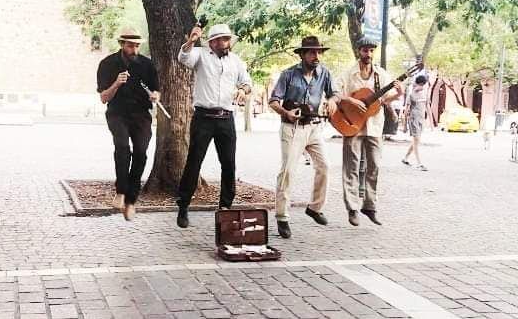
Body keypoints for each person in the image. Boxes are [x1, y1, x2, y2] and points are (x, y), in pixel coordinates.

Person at [176, 24, 252, 228]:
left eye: (228, 39)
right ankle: (183, 206)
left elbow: (247, 82)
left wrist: (243, 90)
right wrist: (191, 40)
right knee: (194, 162)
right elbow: (183, 58)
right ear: (213, 42)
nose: (226, 43)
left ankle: (225, 207)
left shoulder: (235, 61)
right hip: (204, 118)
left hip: (226, 118)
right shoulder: (200, 54)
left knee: (228, 164)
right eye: (222, 39)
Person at [268, 36, 340, 239]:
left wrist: (333, 101)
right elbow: (273, 100)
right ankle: (282, 216)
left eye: (318, 52)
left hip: (314, 128)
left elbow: (335, 94)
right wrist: (285, 113)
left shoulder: (324, 73)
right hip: (292, 128)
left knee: (324, 166)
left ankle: (315, 208)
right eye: (311, 52)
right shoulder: (289, 74)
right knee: (288, 171)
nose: (316, 56)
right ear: (302, 55)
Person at [97, 28, 160, 221]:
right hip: (117, 113)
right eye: (130, 45)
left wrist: (155, 95)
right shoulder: (107, 64)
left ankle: (131, 201)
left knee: (141, 152)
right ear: (122, 44)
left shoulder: (146, 64)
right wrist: (116, 84)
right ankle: (121, 192)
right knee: (123, 147)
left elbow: (156, 91)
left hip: (141, 115)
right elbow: (103, 98)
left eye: (137, 45)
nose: (134, 49)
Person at [341, 37, 403, 227]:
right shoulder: (348, 74)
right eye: (365, 50)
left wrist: (398, 94)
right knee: (351, 168)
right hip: (352, 124)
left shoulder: (381, 75)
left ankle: (370, 206)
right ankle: (352, 208)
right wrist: (352, 101)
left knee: (374, 166)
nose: (368, 54)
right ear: (359, 51)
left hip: (375, 125)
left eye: (371, 51)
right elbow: (335, 93)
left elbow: (382, 100)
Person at [402, 75, 433, 171]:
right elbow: (406, 111)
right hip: (413, 120)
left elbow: (428, 107)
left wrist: (431, 123)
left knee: (416, 141)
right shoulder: (411, 95)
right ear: (416, 83)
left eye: (423, 84)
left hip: (421, 120)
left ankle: (405, 158)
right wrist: (404, 126)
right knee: (416, 140)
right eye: (420, 84)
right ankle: (419, 163)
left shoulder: (425, 94)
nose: (421, 86)